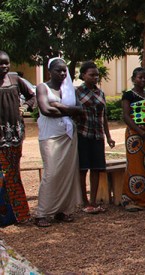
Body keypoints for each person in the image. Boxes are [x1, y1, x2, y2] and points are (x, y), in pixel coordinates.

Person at [35, 57, 83, 227]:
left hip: (68, 135)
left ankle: (63, 210)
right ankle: (42, 213)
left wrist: (60, 106)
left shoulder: (70, 90)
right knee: (52, 173)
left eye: (64, 70)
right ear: (50, 71)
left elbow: (80, 110)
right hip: (50, 136)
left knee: (67, 173)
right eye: (58, 70)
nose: (62, 73)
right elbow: (46, 110)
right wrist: (68, 111)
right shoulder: (43, 87)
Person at [76, 61, 116, 214]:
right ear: (83, 75)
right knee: (83, 168)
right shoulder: (77, 92)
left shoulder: (100, 93)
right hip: (83, 134)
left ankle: (93, 201)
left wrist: (109, 136)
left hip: (97, 135)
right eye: (91, 75)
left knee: (96, 168)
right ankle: (83, 200)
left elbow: (104, 116)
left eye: (96, 75)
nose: (95, 78)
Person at [0, 51, 34, 226]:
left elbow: (32, 96)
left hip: (14, 136)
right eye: (1, 64)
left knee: (13, 175)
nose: (4, 67)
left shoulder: (15, 80)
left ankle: (20, 214)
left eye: (7, 63)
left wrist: (25, 107)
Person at [121, 67, 145, 212]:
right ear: (133, 79)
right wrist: (140, 131)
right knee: (135, 165)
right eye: (139, 78)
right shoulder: (128, 95)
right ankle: (131, 199)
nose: (143, 80)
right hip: (135, 135)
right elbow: (126, 116)